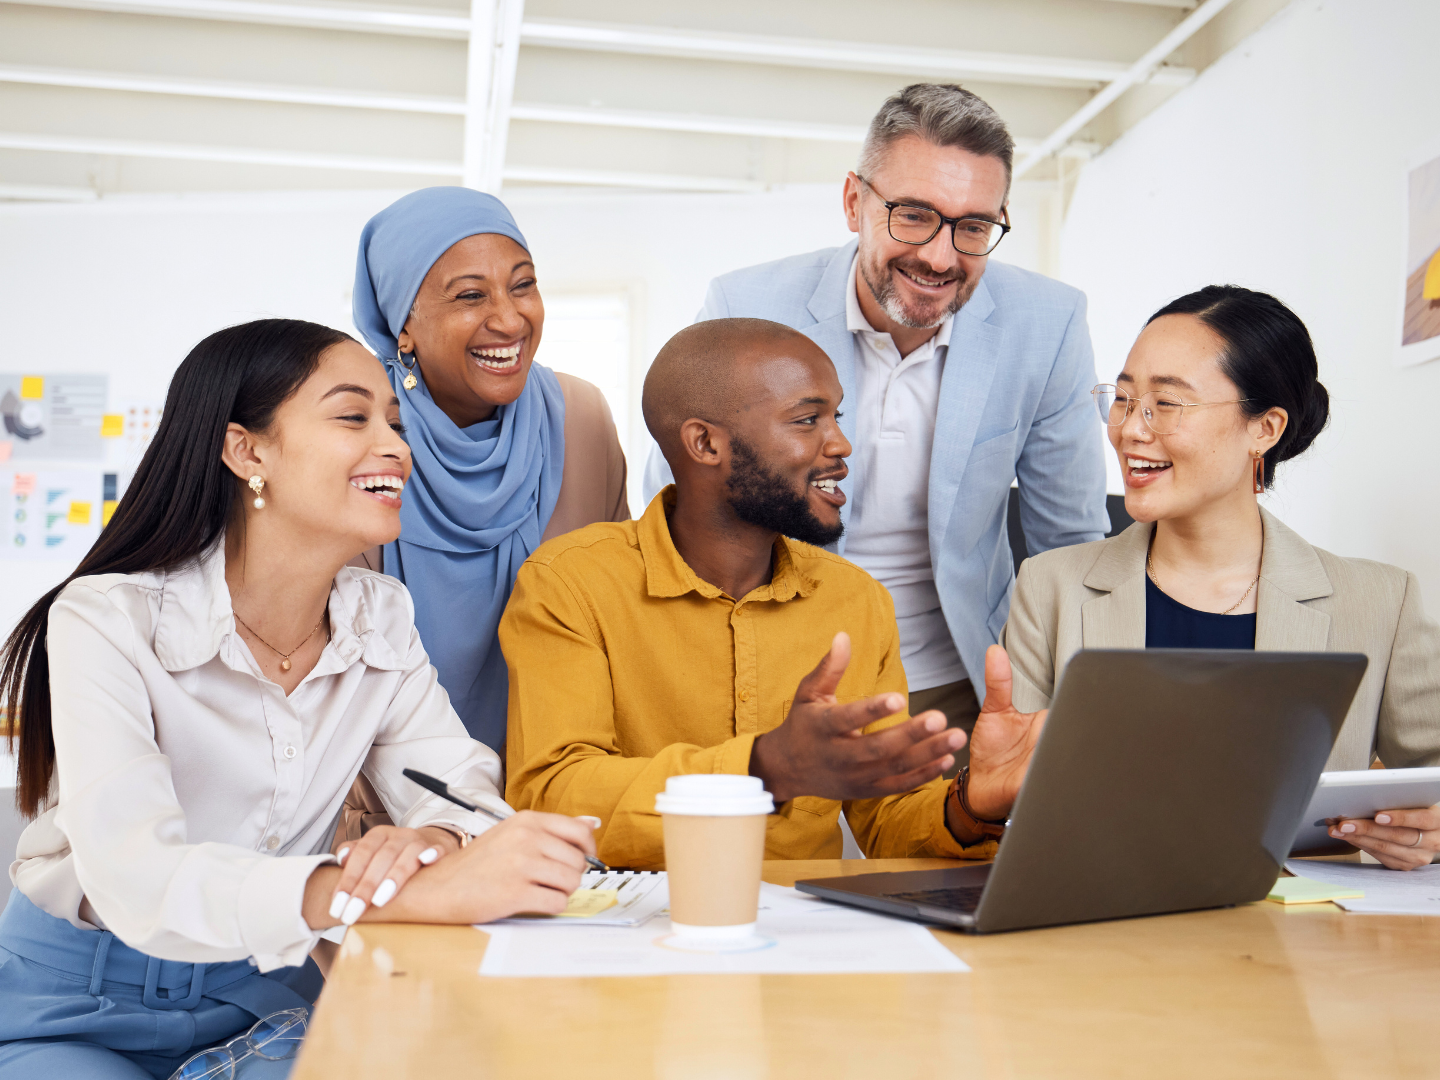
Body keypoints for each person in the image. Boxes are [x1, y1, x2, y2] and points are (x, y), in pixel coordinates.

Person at [0, 320, 597, 1077]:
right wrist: (385, 898)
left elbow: (461, 788)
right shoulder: (107, 618)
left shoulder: (379, 616)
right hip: (72, 1006)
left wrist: (433, 845)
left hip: (262, 995)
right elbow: (137, 879)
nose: (395, 446)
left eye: (393, 420)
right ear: (247, 451)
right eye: (354, 416)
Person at [643, 83, 1108, 760]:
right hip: (774, 671)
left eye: (974, 227)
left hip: (959, 682)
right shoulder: (746, 305)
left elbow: (1070, 546)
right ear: (854, 202)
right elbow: (681, 516)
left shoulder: (1049, 324)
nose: (942, 257)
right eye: (914, 216)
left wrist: (1084, 721)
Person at [503, 318, 1046, 868]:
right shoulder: (568, 584)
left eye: (837, 416)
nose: (841, 444)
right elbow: (553, 793)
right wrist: (764, 767)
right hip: (636, 930)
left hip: (806, 936)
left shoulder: (855, 601)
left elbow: (887, 818)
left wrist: (972, 802)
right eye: (808, 420)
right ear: (705, 443)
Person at [1000, 285, 1440, 871]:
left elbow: (1430, 785)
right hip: (1103, 925)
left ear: (1265, 428)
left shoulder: (1381, 601)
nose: (1131, 429)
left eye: (1168, 403)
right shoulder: (1049, 587)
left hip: (1301, 939)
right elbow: (1012, 795)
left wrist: (1424, 833)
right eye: (1125, 398)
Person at [352, 186, 628, 756]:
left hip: (560, 770)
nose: (509, 318)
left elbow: (619, 608)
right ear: (402, 323)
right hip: (388, 786)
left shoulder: (581, 418)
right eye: (470, 295)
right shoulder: (358, 434)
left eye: (523, 284)